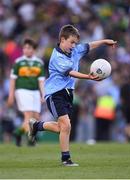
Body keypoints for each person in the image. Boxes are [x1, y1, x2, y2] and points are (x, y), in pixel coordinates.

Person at [28, 24, 117, 166]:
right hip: (54, 94)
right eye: (71, 42)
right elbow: (71, 72)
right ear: (62, 40)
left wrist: (104, 42)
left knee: (61, 128)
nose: (74, 45)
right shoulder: (57, 57)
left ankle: (36, 126)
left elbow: (89, 46)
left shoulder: (75, 50)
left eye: (75, 43)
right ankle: (66, 159)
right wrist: (88, 76)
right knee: (67, 126)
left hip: (68, 94)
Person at [7, 38, 45, 146]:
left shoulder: (39, 63)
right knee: (28, 116)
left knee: (36, 118)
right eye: (24, 48)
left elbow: (41, 81)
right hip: (22, 91)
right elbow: (12, 79)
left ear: (34, 49)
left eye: (28, 48)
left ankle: (18, 133)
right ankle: (30, 140)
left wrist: (43, 94)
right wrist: (11, 95)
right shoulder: (18, 62)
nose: (26, 50)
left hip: (35, 92)